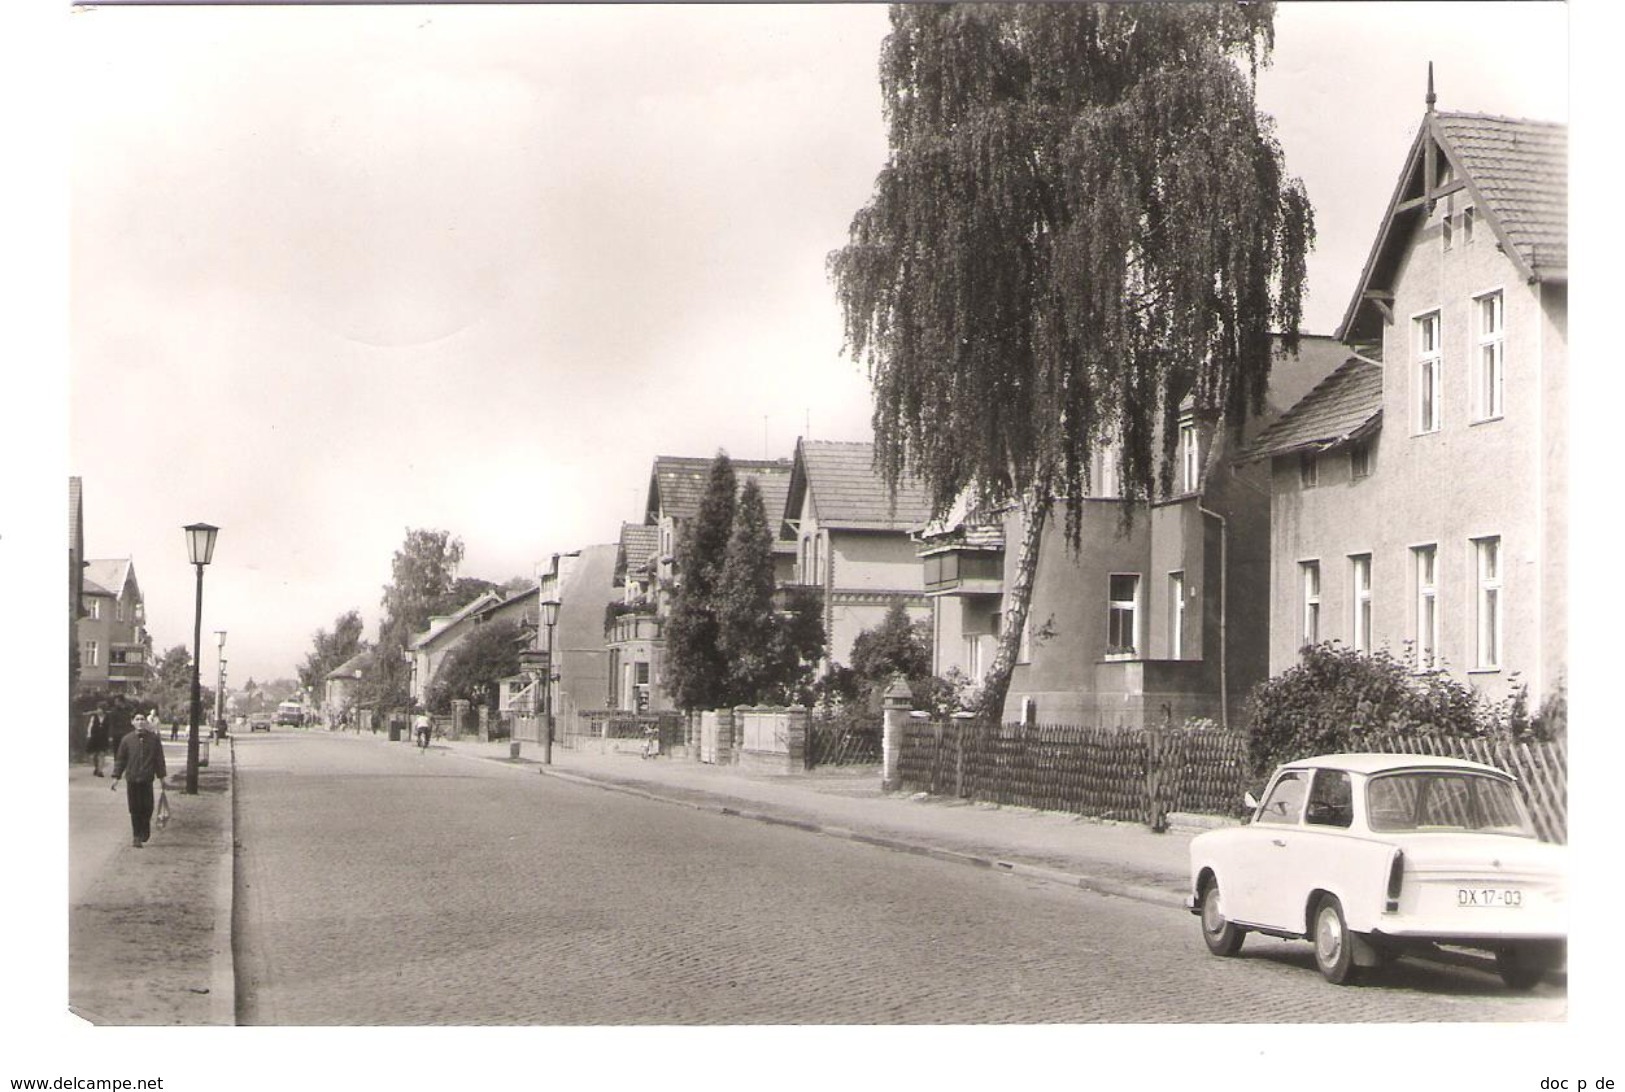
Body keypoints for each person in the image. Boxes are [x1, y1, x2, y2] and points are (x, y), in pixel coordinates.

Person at [110, 713, 168, 848]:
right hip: (132, 778)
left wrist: (162, 778)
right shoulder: (127, 740)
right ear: (132, 722)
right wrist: (115, 777)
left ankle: (145, 829)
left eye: (142, 719)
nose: (140, 722)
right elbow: (121, 760)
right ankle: (136, 836)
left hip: (147, 779)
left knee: (147, 807)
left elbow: (159, 760)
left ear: (146, 722)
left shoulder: (153, 739)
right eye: (137, 719)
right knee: (135, 808)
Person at [86, 706, 110, 777]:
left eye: (100, 709)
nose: (98, 710)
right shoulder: (94, 717)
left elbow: (109, 727)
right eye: (98, 709)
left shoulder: (107, 717)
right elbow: (90, 726)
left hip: (103, 738)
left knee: (102, 754)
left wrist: (109, 737)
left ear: (103, 710)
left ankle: (100, 771)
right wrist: (89, 734)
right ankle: (96, 767)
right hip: (94, 737)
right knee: (95, 754)